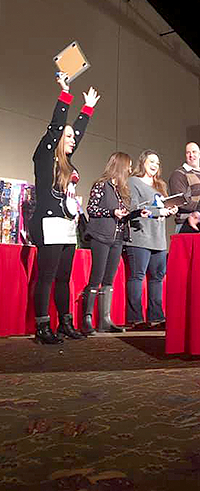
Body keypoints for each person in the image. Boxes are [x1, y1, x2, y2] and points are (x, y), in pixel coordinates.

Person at [29, 72, 100, 344]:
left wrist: (87, 110)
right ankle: (42, 326)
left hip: (67, 224)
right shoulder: (44, 157)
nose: (73, 139)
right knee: (46, 276)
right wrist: (65, 95)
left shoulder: (67, 161)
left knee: (64, 277)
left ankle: (65, 323)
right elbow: (57, 127)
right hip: (48, 223)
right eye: (68, 136)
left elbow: (75, 134)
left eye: (73, 136)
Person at [81, 152, 150, 335]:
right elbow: (92, 209)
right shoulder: (101, 185)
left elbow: (123, 213)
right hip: (101, 236)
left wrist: (136, 213)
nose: (129, 169)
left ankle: (105, 320)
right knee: (96, 277)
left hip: (117, 239)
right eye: (127, 165)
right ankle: (87, 318)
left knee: (108, 279)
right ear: (119, 166)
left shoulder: (122, 189)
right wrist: (112, 212)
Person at [124, 150, 178, 330]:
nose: (155, 165)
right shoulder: (134, 182)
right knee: (137, 276)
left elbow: (161, 208)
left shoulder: (160, 185)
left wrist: (170, 210)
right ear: (143, 163)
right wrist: (158, 212)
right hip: (140, 237)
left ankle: (156, 317)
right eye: (151, 161)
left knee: (157, 277)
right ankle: (135, 318)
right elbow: (134, 208)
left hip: (158, 238)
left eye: (157, 162)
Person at [168, 142, 200, 233]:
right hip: (186, 225)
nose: (191, 155)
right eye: (188, 153)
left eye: (194, 152)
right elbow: (180, 201)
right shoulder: (179, 174)